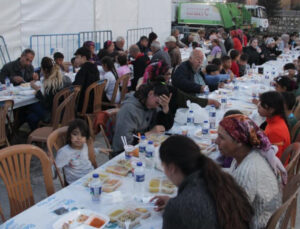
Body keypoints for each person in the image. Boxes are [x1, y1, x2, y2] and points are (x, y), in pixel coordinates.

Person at [151, 135, 254, 229]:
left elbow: (194, 208)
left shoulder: (178, 207)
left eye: (163, 166)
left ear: (172, 168)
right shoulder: (220, 180)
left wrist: (174, 206)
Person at [216, 114, 283, 229]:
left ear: (239, 142)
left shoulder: (248, 172)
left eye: (221, 138)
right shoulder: (249, 154)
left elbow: (233, 218)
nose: (216, 141)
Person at [112, 82, 173, 155]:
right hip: (125, 152)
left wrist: (165, 107)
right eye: (157, 103)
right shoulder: (128, 110)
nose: (157, 106)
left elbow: (165, 127)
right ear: (150, 93)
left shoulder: (149, 104)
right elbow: (124, 142)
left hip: (142, 146)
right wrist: (149, 133)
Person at [142, 61, 220, 113]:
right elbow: (187, 99)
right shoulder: (167, 90)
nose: (169, 76)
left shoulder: (144, 87)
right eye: (167, 74)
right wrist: (209, 102)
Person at [27, 57, 71, 130]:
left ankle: (36, 134)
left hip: (55, 114)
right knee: (31, 116)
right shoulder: (66, 79)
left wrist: (37, 90)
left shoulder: (51, 85)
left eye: (41, 69)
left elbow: (47, 104)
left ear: (45, 70)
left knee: (31, 106)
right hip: (68, 112)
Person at [55, 119, 94, 185]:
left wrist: (98, 150)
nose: (79, 138)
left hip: (91, 176)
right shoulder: (65, 152)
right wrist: (49, 163)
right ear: (69, 135)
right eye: (75, 134)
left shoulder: (84, 145)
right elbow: (56, 168)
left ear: (86, 138)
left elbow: (85, 154)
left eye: (83, 135)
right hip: (76, 182)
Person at [258, 91, 291, 159]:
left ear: (271, 110)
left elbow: (273, 159)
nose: (258, 105)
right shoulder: (275, 120)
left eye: (262, 104)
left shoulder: (275, 131)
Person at [72, 47, 100, 113]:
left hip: (84, 104)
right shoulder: (95, 68)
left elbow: (76, 87)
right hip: (94, 102)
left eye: (77, 57)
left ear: (84, 58)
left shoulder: (83, 71)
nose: (75, 60)